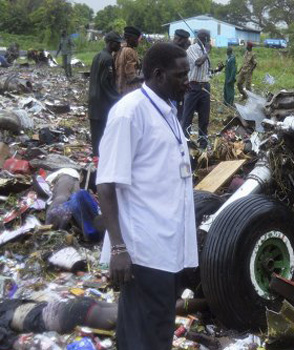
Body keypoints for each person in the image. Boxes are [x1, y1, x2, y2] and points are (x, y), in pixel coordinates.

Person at [97, 42, 196, 350]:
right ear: (158, 74)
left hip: (166, 244)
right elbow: (106, 184)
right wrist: (118, 250)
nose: (187, 82)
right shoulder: (129, 113)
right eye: (181, 75)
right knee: (145, 332)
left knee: (155, 328)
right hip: (142, 248)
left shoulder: (167, 109)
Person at [88, 32, 123, 157]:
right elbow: (106, 83)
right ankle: (99, 161)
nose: (120, 45)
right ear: (111, 43)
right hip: (102, 102)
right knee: (102, 135)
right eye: (118, 43)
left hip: (93, 100)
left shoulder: (97, 56)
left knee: (96, 135)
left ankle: (96, 158)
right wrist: (118, 99)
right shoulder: (107, 59)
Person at [181, 29, 211, 149]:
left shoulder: (204, 50)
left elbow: (205, 69)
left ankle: (203, 143)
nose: (208, 40)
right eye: (207, 37)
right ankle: (185, 142)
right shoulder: (192, 49)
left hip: (205, 86)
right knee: (188, 117)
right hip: (193, 86)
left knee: (204, 118)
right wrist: (207, 52)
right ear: (202, 37)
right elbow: (198, 62)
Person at [115, 26, 143, 95]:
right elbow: (131, 78)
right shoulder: (130, 51)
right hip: (128, 91)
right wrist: (146, 77)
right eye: (137, 39)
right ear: (130, 38)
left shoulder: (120, 49)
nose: (138, 41)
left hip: (119, 89)